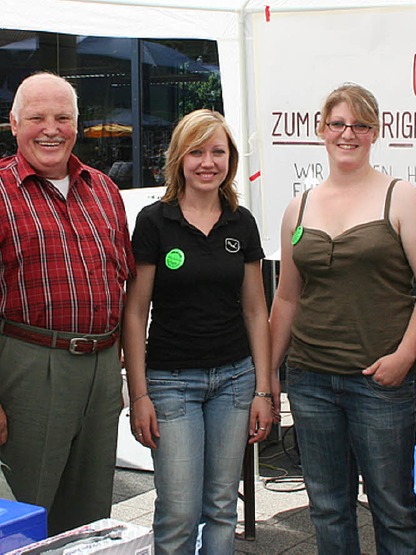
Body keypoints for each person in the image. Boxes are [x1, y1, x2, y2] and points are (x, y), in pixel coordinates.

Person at [270, 83, 416, 554]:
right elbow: (287, 298)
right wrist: (269, 371)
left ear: (375, 132)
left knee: (393, 508)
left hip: (381, 383)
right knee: (328, 509)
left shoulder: (401, 198)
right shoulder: (298, 208)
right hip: (310, 380)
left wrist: (405, 357)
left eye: (359, 124)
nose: (348, 134)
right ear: (321, 130)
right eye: (338, 124)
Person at [122, 109, 273, 555]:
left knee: (223, 508)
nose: (208, 162)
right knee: (179, 512)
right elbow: (135, 312)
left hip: (234, 380)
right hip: (171, 383)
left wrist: (264, 391)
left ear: (230, 160)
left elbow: (254, 308)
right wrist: (139, 394)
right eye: (197, 151)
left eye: (218, 152)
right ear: (179, 158)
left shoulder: (240, 222)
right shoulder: (155, 221)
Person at [0, 72, 135, 534]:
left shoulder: (104, 191)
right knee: (25, 514)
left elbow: (122, 287)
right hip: (29, 366)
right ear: (14, 124)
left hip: (100, 368)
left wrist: (117, 374)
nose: (51, 128)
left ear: (77, 124)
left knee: (92, 514)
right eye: (37, 117)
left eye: (63, 117)